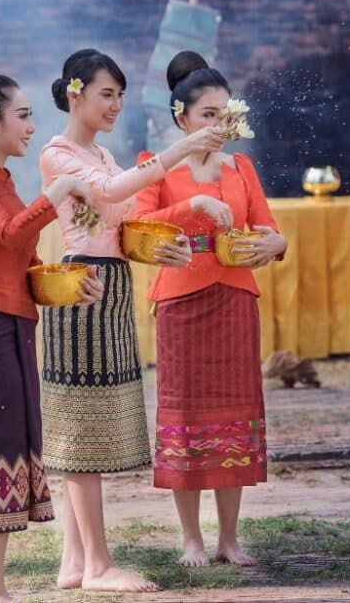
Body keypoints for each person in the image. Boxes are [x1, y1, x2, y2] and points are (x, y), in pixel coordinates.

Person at [38, 48, 223, 592]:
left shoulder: (101, 153)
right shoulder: (58, 153)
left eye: (119, 94)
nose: (116, 104)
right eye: (106, 94)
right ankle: (97, 565)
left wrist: (168, 235)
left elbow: (123, 222)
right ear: (76, 95)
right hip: (83, 289)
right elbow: (110, 195)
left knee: (91, 426)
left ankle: (76, 562)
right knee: (82, 430)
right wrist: (181, 150)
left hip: (110, 286)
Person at [0, 57, 102, 603]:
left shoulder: (3, 180)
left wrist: (64, 285)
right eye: (24, 116)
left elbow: (22, 261)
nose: (31, 128)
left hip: (10, 325)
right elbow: (10, 236)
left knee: (8, 450)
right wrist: (56, 195)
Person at [132, 50, 286, 568]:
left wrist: (275, 242)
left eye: (226, 114)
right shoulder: (156, 166)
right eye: (208, 115)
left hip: (235, 299)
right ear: (182, 118)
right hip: (181, 302)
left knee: (234, 416)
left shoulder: (241, 167)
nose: (220, 125)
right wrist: (193, 207)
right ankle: (191, 539)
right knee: (187, 417)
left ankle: (229, 538)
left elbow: (268, 225)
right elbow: (140, 227)